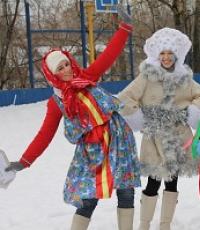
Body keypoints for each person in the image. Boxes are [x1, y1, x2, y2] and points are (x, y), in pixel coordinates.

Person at [5, 6, 141, 230]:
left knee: (126, 191)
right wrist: (24, 161)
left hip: (118, 141)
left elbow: (108, 55)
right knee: (88, 199)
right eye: (60, 68)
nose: (67, 68)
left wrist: (124, 29)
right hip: (92, 151)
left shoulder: (87, 76)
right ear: (52, 74)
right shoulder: (56, 102)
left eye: (67, 63)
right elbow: (45, 134)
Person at [118, 27, 200, 230]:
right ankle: (144, 224)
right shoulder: (147, 76)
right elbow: (124, 98)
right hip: (155, 139)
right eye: (162, 53)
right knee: (153, 182)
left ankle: (165, 225)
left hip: (179, 138)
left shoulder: (185, 78)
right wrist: (141, 118)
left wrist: (190, 112)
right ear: (156, 54)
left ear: (176, 55)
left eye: (170, 53)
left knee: (172, 182)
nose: (166, 57)